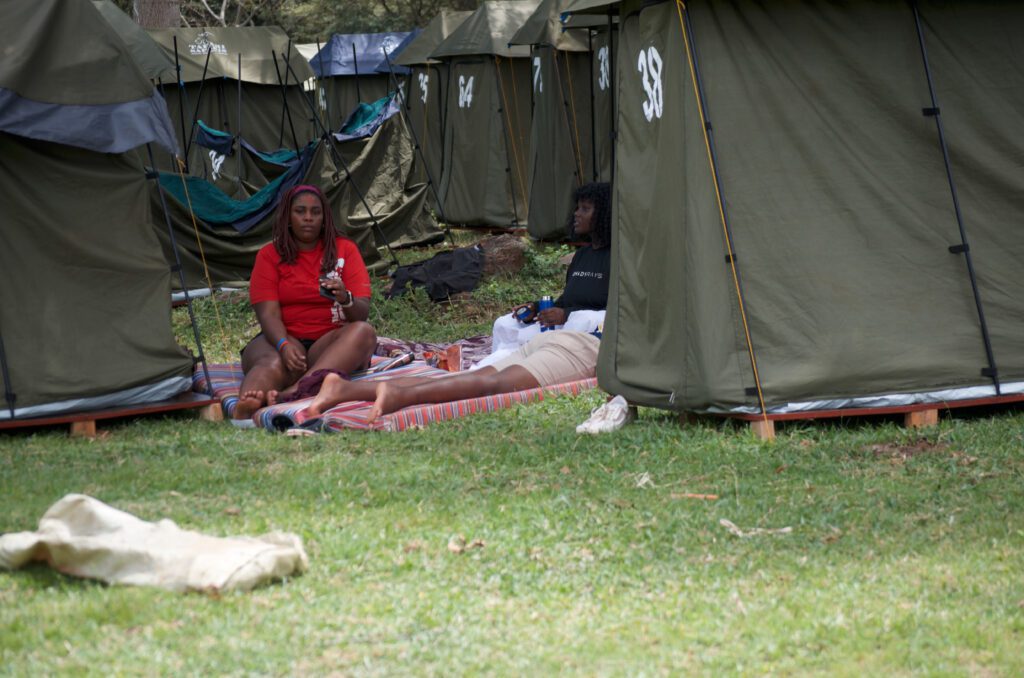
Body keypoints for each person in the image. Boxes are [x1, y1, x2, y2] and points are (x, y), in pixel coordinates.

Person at [233, 184, 377, 419]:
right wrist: (283, 345)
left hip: (328, 344)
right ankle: (248, 404)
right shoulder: (269, 255)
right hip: (280, 338)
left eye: (315, 212)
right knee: (271, 363)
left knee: (364, 332)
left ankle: (298, 389)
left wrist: (345, 298)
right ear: (288, 217)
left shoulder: (345, 250)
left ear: (324, 217)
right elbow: (268, 314)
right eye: (300, 211)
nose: (308, 217)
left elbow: (361, 313)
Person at [306, 329, 600, 423]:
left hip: (563, 338)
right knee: (495, 386)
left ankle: (343, 390)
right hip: (586, 348)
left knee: (458, 382)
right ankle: (399, 396)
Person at [489, 182, 611, 356]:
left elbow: (620, 307)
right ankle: (501, 366)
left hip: (594, 326)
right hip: (570, 322)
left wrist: (566, 314)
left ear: (604, 215)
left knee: (581, 319)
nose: (576, 213)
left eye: (585, 209)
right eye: (577, 208)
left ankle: (540, 363)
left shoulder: (619, 258)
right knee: (505, 324)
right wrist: (537, 308)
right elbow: (568, 299)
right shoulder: (582, 255)